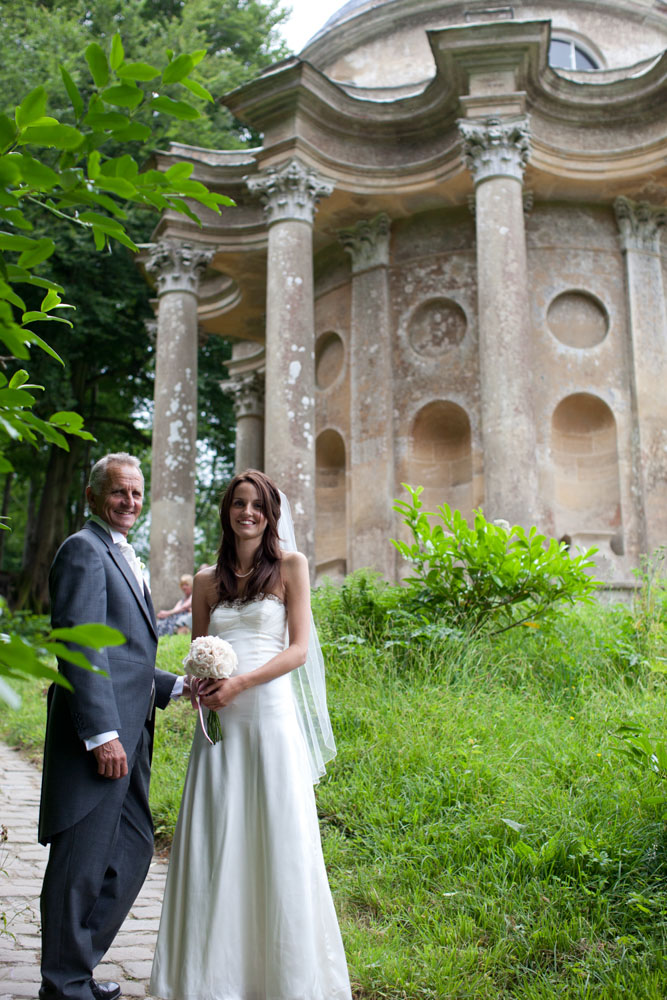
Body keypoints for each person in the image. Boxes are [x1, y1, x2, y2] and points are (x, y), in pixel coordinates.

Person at [150, 469, 352, 1000]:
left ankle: (282, 980)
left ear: (271, 513)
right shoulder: (205, 581)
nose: (247, 513)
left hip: (269, 717)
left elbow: (298, 649)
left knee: (275, 835)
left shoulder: (291, 566)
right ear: (226, 511)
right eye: (238, 503)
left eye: (257, 505)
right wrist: (202, 682)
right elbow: (198, 650)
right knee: (217, 835)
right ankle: (208, 979)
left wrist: (240, 681)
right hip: (219, 724)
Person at [38, 453, 184, 1000]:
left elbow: (123, 653)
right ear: (93, 496)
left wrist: (176, 687)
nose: (130, 502)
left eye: (137, 493)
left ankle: (72, 969)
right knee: (81, 863)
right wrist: (101, 734)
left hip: (135, 729)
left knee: (132, 848)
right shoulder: (83, 549)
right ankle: (64, 985)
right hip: (101, 738)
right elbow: (78, 646)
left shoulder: (121, 554)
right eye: (119, 492)